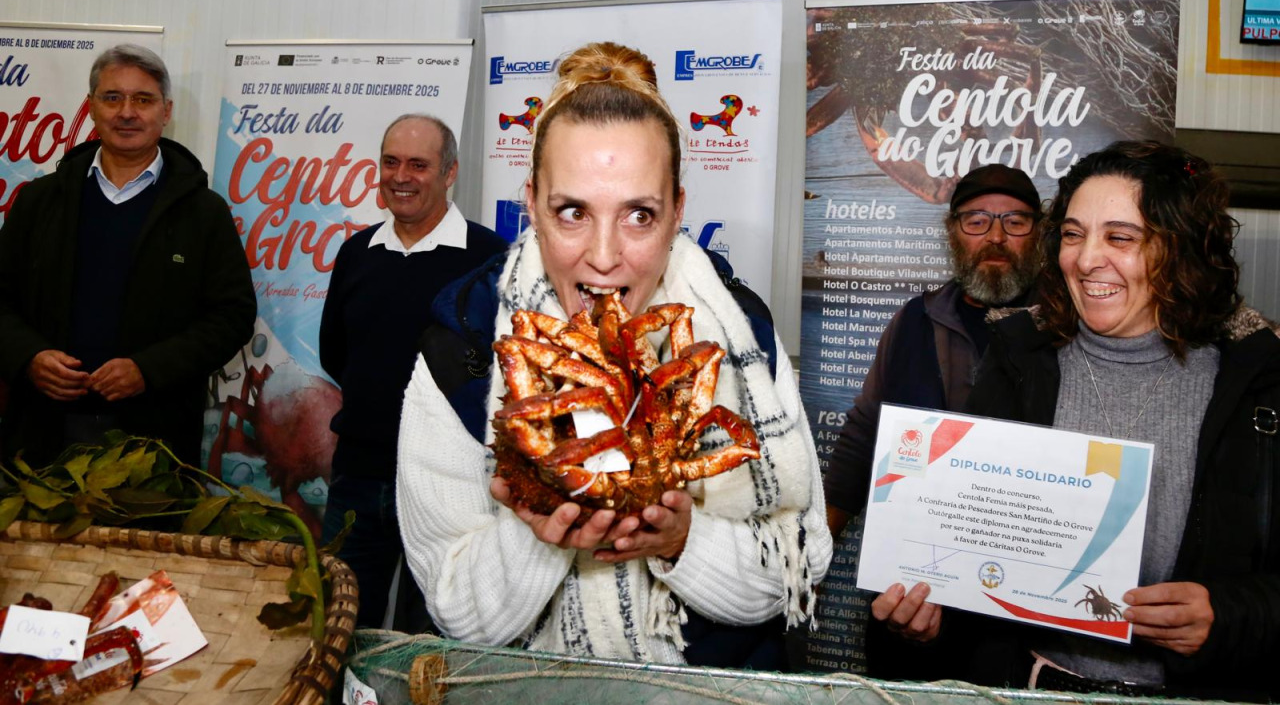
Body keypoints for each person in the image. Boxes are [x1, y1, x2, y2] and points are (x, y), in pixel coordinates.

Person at [396, 42, 832, 666]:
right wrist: (538, 538)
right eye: (572, 211)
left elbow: (800, 564)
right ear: (532, 204)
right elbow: (452, 605)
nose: (603, 257)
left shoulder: (742, 337)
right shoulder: (463, 343)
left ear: (678, 210)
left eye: (639, 216)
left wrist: (684, 541)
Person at [883, 141, 1280, 701]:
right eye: (1073, 234)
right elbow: (975, 552)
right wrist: (928, 616)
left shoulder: (1258, 379)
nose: (1087, 258)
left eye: (1121, 237)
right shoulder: (1020, 359)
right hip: (1030, 688)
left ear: (1184, 248)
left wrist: (1234, 617)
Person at [820, 164, 1041, 678]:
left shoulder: (1066, 329)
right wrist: (814, 552)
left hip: (1020, 612)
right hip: (912, 596)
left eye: (1015, 222)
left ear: (1041, 232)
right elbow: (862, 439)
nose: (996, 238)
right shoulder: (914, 320)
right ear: (951, 232)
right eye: (977, 221)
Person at [0, 44, 255, 468]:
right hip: (43, 433)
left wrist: (148, 370)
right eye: (112, 97)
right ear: (92, 107)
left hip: (155, 439)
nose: (127, 112)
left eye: (143, 99)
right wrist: (29, 357)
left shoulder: (203, 212)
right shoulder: (40, 202)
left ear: (166, 110)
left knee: (141, 540)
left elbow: (232, 316)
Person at [318, 114, 507, 629]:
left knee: (434, 641)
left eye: (418, 164)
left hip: (452, 486)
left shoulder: (491, 260)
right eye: (391, 162)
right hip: (358, 479)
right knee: (336, 630)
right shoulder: (357, 253)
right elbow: (336, 355)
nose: (401, 176)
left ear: (449, 174)